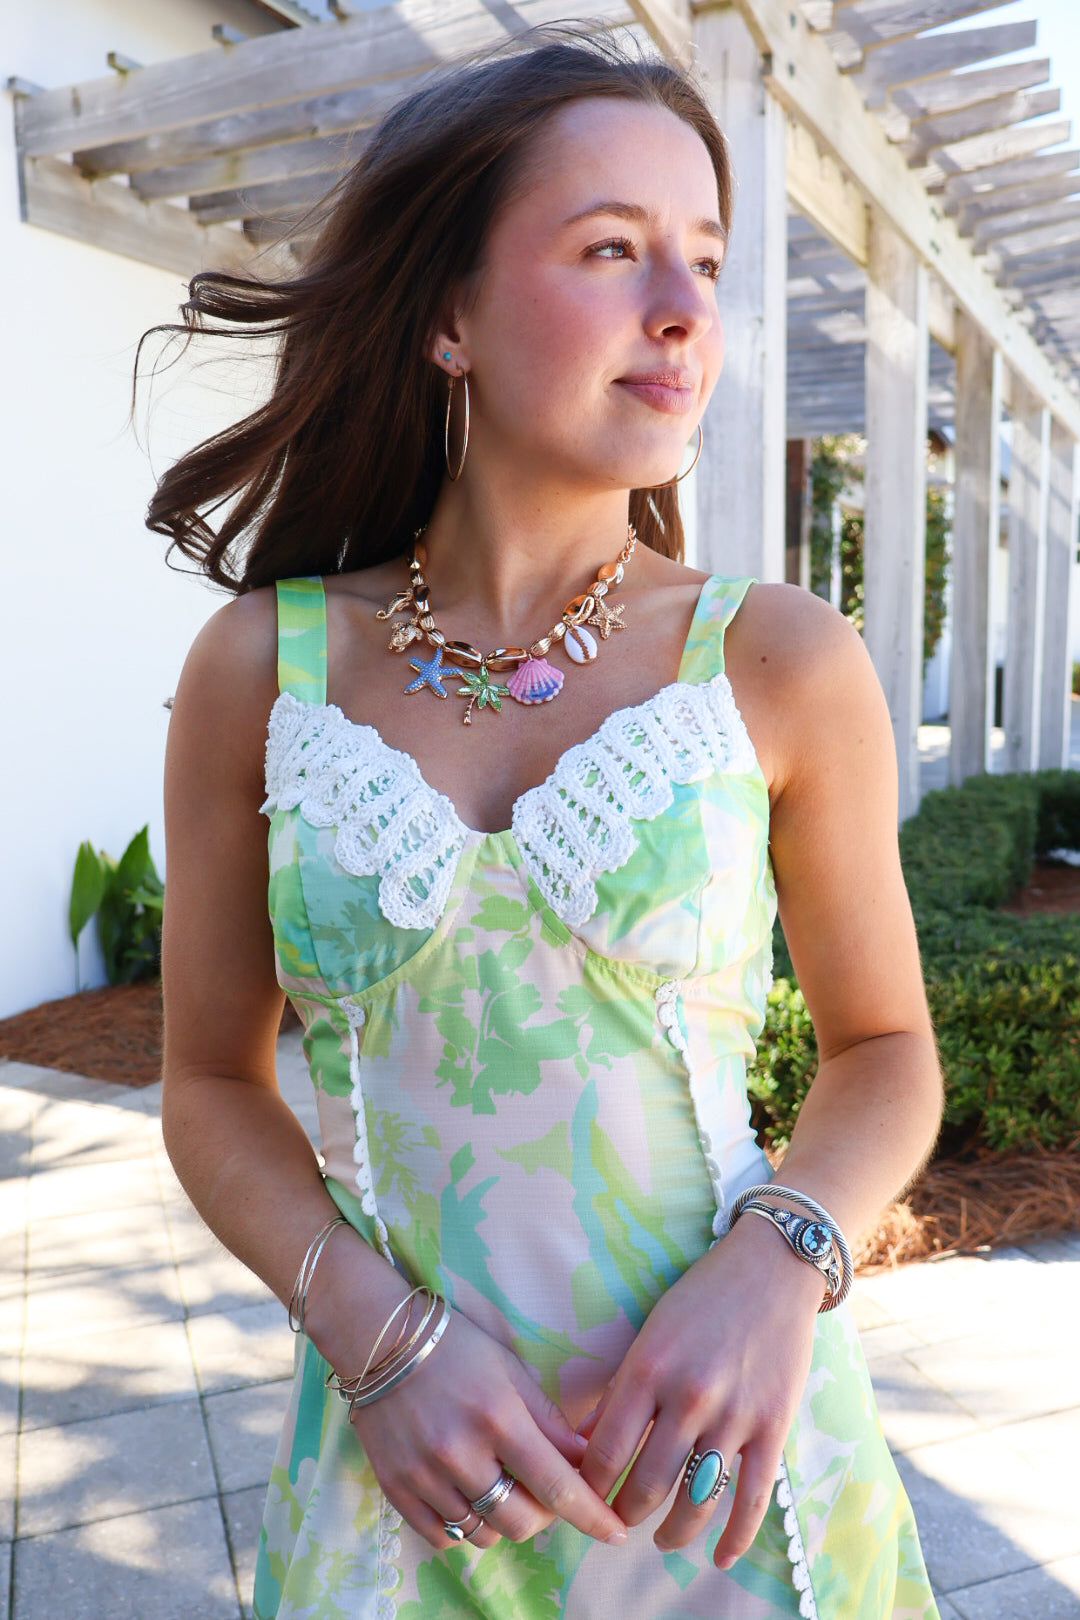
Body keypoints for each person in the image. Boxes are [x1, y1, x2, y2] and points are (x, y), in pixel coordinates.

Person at [150, 26, 944, 1619]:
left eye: (704, 259)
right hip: (402, 1486)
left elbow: (885, 1050)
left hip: (732, 1490)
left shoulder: (778, 658)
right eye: (611, 249)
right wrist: (378, 1343)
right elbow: (211, 1086)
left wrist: (777, 1262)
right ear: (448, 317)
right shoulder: (262, 668)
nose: (685, 308)